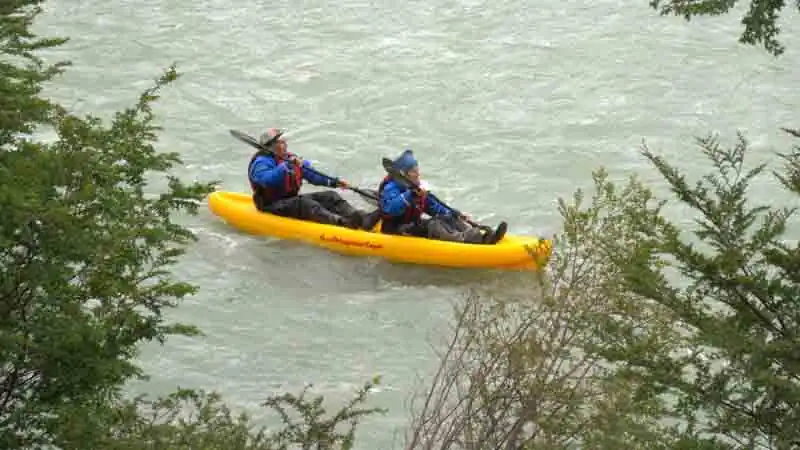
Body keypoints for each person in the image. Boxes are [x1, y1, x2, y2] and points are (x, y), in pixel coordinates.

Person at [248, 128, 373, 229]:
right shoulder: (261, 163)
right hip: (271, 205)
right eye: (282, 141)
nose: (286, 144)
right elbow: (266, 180)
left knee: (330, 196)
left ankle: (360, 218)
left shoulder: (290, 158)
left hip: (290, 201)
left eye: (285, 140)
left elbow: (314, 176)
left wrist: (335, 182)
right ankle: (342, 223)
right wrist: (285, 166)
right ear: (272, 146)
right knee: (305, 203)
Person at [377, 149, 508, 244]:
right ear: (404, 174)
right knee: (433, 224)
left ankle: (481, 237)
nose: (418, 174)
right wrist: (410, 194)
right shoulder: (391, 188)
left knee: (447, 217)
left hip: (411, 226)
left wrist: (454, 214)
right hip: (396, 231)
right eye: (413, 171)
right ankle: (467, 239)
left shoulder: (415, 189)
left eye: (417, 170)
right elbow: (390, 208)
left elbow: (434, 207)